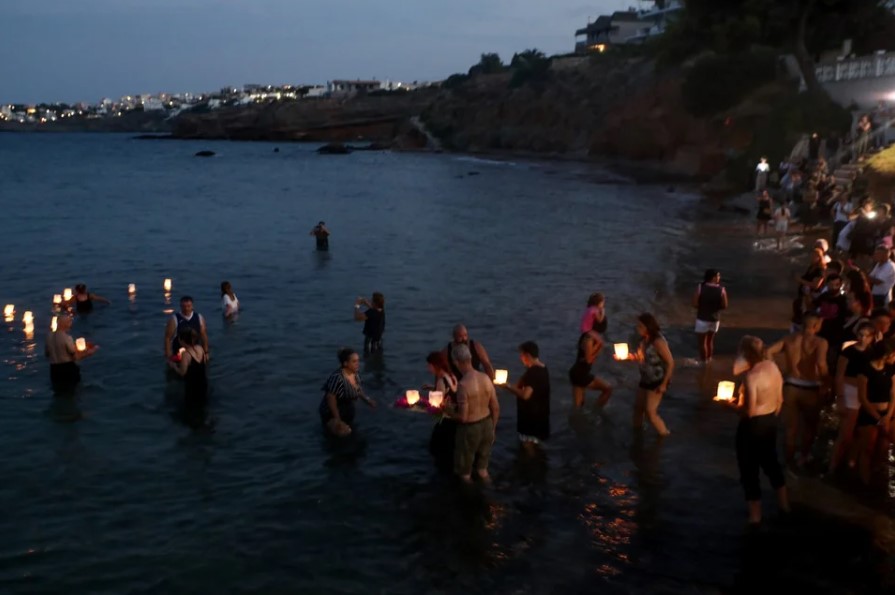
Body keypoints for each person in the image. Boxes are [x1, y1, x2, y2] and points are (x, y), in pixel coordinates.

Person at [731, 336, 789, 526]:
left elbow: (750, 411)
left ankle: (755, 516)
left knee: (749, 470)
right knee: (772, 464)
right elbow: (780, 400)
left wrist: (729, 406)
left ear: (746, 354)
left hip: (752, 427)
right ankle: (784, 506)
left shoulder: (752, 376)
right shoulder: (773, 367)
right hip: (771, 421)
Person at [766, 313, 829, 468]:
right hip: (811, 388)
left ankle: (788, 462)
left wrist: (777, 373)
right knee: (809, 427)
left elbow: (768, 352)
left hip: (790, 387)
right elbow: (821, 365)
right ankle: (804, 457)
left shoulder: (789, 339)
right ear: (816, 325)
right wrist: (828, 383)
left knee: (790, 428)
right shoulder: (820, 342)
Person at [830, 322, 875, 474]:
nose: (863, 338)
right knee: (845, 434)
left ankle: (850, 463)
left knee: (862, 434)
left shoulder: (872, 353)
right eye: (861, 335)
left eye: (867, 336)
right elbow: (839, 375)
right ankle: (833, 467)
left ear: (872, 338)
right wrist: (840, 397)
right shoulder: (848, 352)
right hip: (850, 392)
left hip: (865, 394)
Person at [452, 344, 500, 482]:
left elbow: (463, 417)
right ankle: (491, 496)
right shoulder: (485, 378)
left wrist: (446, 411)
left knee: (465, 473)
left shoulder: (463, 385)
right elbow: (496, 407)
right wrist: (493, 429)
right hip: (487, 425)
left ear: (456, 362)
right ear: (471, 358)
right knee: (483, 470)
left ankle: (471, 500)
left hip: (470, 430)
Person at [854, 340, 895, 484]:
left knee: (883, 446)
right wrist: (878, 418)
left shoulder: (890, 370)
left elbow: (893, 394)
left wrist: (888, 415)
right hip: (869, 414)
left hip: (887, 414)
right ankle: (864, 481)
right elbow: (862, 397)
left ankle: (876, 474)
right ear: (886, 355)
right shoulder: (865, 370)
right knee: (868, 448)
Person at [497, 341, 550, 448]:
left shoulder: (533, 373)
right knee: (537, 448)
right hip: (541, 417)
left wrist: (507, 386)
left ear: (528, 355)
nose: (521, 358)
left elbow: (526, 395)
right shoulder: (543, 369)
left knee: (529, 449)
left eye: (522, 355)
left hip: (531, 420)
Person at [629, 313, 673, 436]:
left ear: (648, 326)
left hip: (657, 381)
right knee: (638, 407)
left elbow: (670, 363)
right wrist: (629, 357)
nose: (637, 328)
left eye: (640, 326)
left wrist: (664, 384)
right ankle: (637, 433)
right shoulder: (644, 339)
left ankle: (664, 434)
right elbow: (643, 357)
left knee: (650, 412)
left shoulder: (658, 341)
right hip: (645, 379)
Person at [319, 348, 376, 437]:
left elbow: (357, 388)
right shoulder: (337, 378)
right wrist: (337, 419)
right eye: (354, 361)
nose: (358, 364)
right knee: (341, 436)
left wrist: (367, 400)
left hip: (347, 408)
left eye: (358, 361)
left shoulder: (355, 373)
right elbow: (331, 399)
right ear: (345, 363)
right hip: (332, 411)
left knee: (352, 433)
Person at [166, 328, 209, 429]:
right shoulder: (200, 348)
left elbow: (182, 372)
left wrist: (173, 366)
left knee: (190, 412)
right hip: (203, 384)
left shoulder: (186, 355)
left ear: (183, 340)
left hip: (192, 388)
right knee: (202, 408)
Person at [44, 314, 98, 393]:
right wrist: (90, 352)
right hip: (68, 370)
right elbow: (75, 357)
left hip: (54, 370)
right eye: (69, 322)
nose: (70, 325)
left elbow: (47, 354)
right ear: (66, 324)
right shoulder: (67, 338)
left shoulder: (48, 336)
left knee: (58, 394)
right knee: (72, 394)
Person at [426, 351, 459, 472]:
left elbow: (438, 404)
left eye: (429, 365)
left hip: (446, 420)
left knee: (436, 448)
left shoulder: (440, 381)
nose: (428, 368)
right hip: (455, 417)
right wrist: (431, 387)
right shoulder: (451, 376)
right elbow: (449, 391)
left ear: (435, 365)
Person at [568, 327, 612, 408]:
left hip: (578, 373)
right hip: (580, 374)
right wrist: (598, 345)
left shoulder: (587, 337)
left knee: (578, 406)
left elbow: (591, 358)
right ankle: (595, 410)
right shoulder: (589, 340)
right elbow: (589, 360)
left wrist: (599, 345)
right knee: (608, 389)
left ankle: (588, 414)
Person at [693, 269, 728, 364]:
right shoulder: (721, 290)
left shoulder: (700, 287)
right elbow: (724, 305)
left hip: (702, 318)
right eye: (718, 276)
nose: (719, 278)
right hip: (715, 319)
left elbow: (695, 303)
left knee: (702, 343)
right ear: (713, 278)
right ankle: (709, 359)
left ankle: (703, 362)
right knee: (710, 341)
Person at [164, 296, 209, 360]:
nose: (186, 309)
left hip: (195, 352)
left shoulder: (199, 318)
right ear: (180, 306)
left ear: (192, 306)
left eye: (189, 306)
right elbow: (167, 338)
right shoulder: (174, 319)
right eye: (184, 306)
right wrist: (168, 356)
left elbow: (203, 336)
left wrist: (206, 352)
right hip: (179, 352)